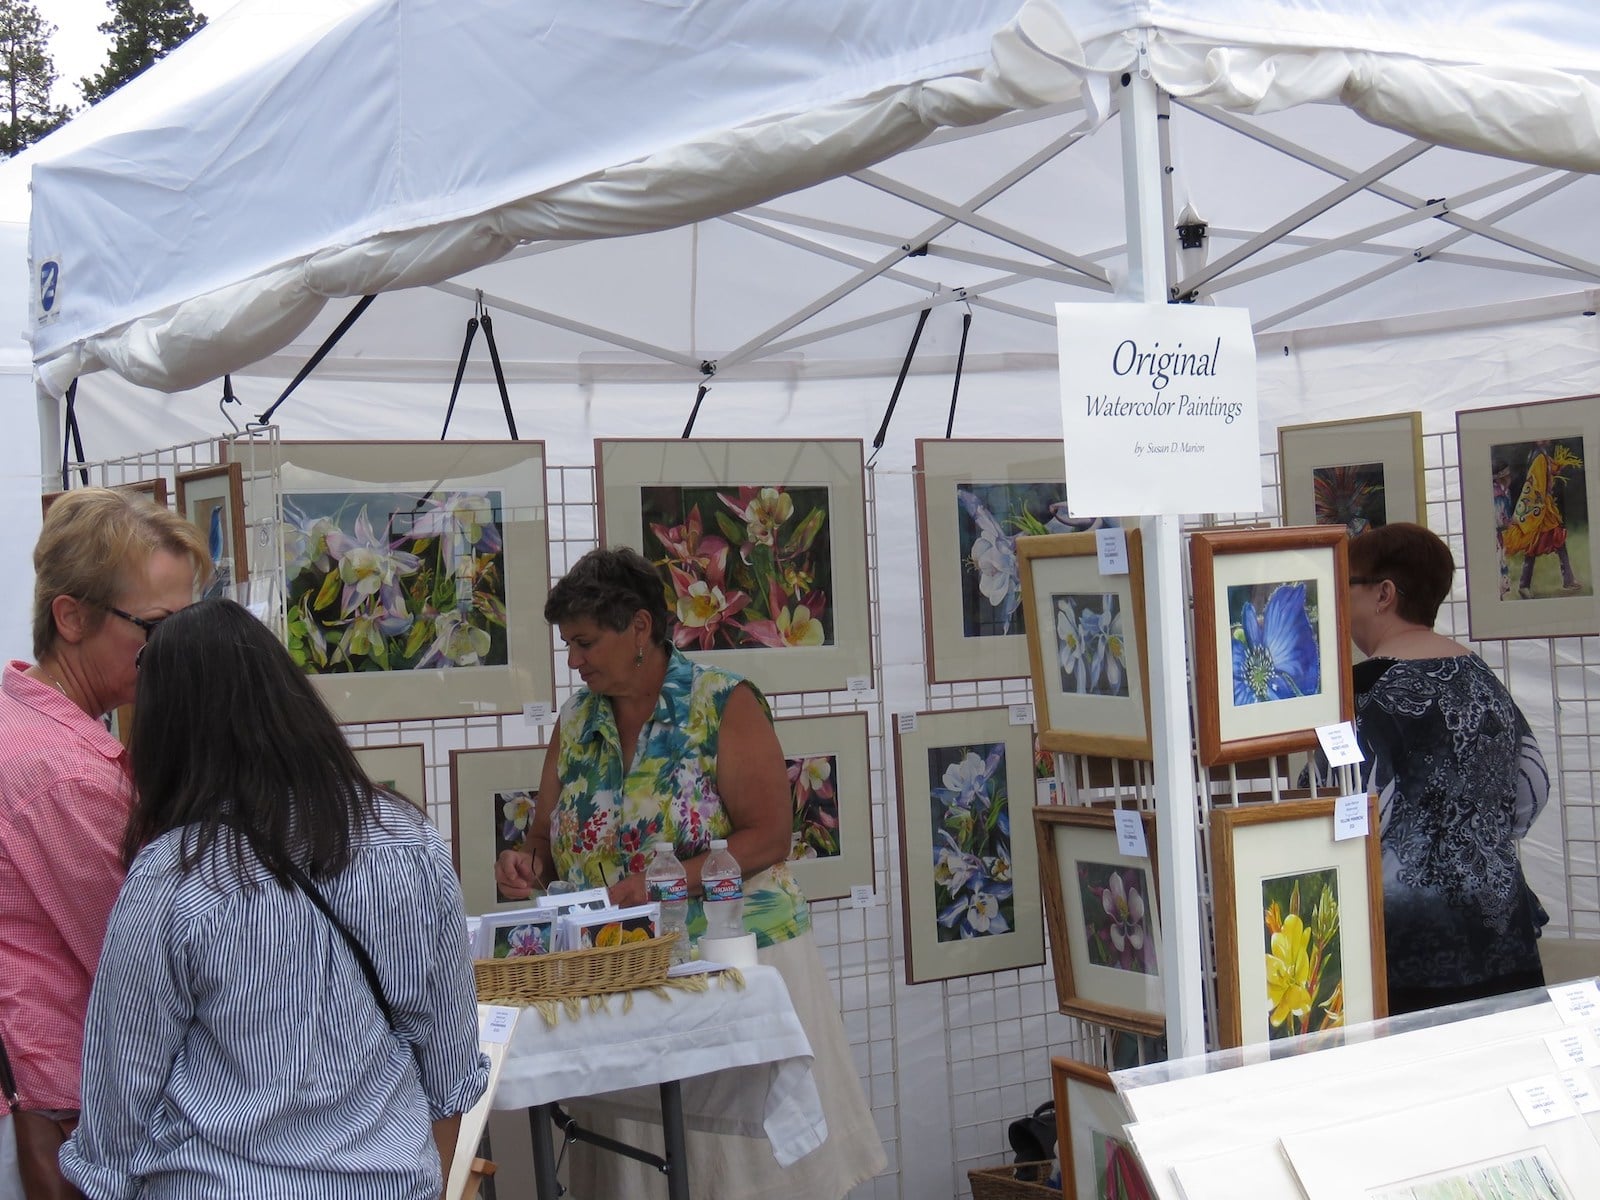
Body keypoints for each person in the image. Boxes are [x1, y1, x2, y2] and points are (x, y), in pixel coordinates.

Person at [59, 600, 488, 1200]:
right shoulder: (408, 841)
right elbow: (449, 1073)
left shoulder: (173, 877)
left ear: (168, 733)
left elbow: (116, 1115)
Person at [494, 547, 885, 1199]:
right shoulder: (577, 720)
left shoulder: (720, 705)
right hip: (621, 971)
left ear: (641, 629)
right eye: (570, 645)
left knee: (732, 1171)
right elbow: (547, 836)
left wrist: (665, 882)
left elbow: (771, 836)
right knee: (640, 1162)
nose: (574, 660)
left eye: (586, 642)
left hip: (732, 961)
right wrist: (526, 863)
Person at [0, 488, 207, 1200]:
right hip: (59, 1108)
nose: (175, 649)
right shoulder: (65, 774)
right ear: (71, 617)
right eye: (156, 626)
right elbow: (146, 965)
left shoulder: (25, 724)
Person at [1342, 522, 1549, 1014]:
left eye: (1344, 585)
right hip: (1503, 928)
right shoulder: (1481, 677)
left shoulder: (1362, 693)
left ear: (1383, 594)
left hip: (1408, 947)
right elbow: (1532, 788)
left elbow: (1347, 814)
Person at [1503, 438, 1584, 598]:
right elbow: (1536, 483)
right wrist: (1542, 501)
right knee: (1536, 546)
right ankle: (1525, 585)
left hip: (1543, 509)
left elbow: (1546, 472)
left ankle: (1566, 579)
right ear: (1537, 441)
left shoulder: (1541, 455)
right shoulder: (1538, 456)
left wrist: (1554, 469)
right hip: (1541, 510)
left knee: (1558, 541)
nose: (1545, 439)